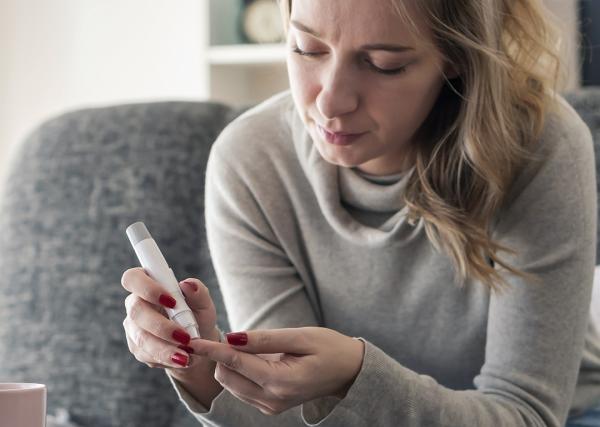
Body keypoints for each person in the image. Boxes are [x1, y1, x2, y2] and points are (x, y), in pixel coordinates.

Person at [120, 0, 600, 425]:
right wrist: (204, 369)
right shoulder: (252, 159)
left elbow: (527, 415)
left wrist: (356, 378)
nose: (330, 100)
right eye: (307, 49)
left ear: (455, 57)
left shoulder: (541, 148)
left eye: (383, 63)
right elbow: (291, 417)